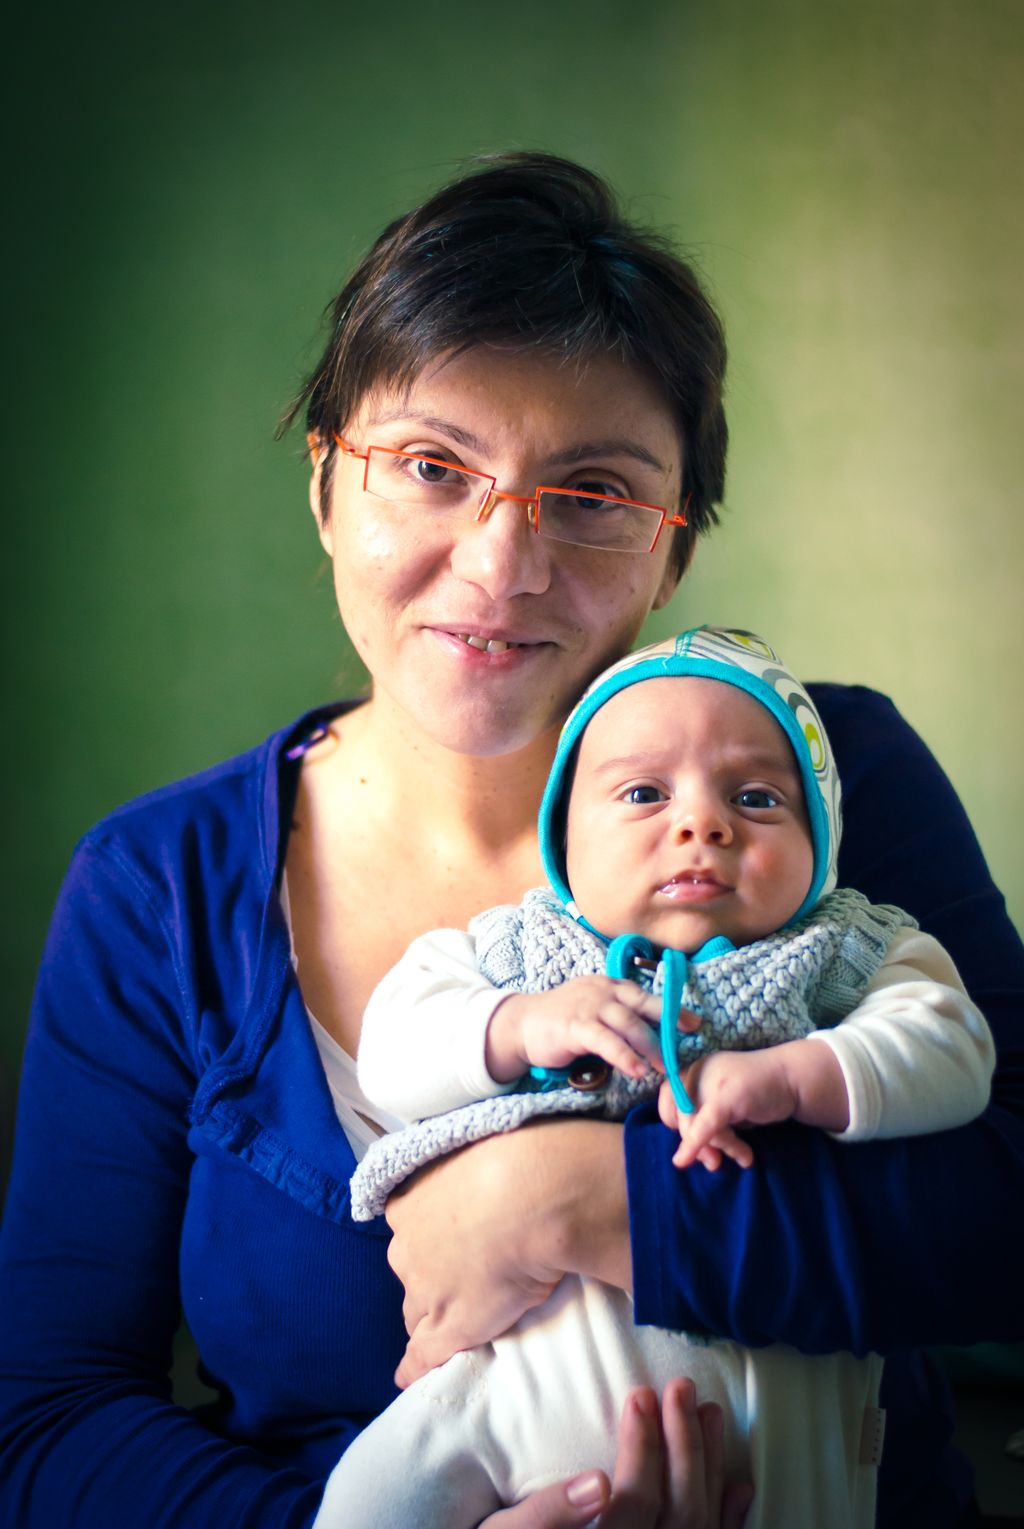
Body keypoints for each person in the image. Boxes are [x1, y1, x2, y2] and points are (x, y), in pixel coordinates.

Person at [0, 151, 1020, 1529]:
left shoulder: (822, 784)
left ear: (673, 552)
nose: (502, 563)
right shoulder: (158, 888)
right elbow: (47, 1419)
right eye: (432, 467)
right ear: (327, 485)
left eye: (593, 494)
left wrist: (588, 1206)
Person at [310, 625, 994, 1528]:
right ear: (565, 837)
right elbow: (395, 1046)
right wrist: (517, 1025)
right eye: (642, 793)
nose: (701, 824)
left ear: (820, 844)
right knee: (371, 1496)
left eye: (756, 797)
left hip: (786, 1410)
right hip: (510, 1394)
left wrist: (803, 1075)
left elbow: (954, 1047)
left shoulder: (846, 950)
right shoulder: (518, 951)